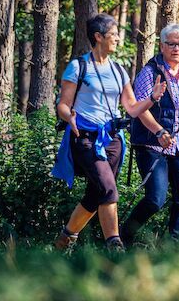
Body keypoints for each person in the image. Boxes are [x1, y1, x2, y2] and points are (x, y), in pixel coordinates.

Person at [53, 14, 166, 251]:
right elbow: (63, 104)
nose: (117, 38)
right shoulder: (78, 66)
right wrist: (68, 116)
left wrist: (153, 98)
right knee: (108, 189)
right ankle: (114, 246)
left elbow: (132, 108)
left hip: (112, 140)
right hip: (84, 136)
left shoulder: (118, 70)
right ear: (98, 36)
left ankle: (64, 240)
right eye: (113, 34)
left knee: (97, 194)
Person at [121, 24, 179, 244]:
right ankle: (123, 237)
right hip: (152, 146)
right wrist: (159, 131)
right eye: (171, 44)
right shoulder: (150, 72)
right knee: (155, 199)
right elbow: (139, 109)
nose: (176, 48)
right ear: (162, 45)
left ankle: (175, 249)